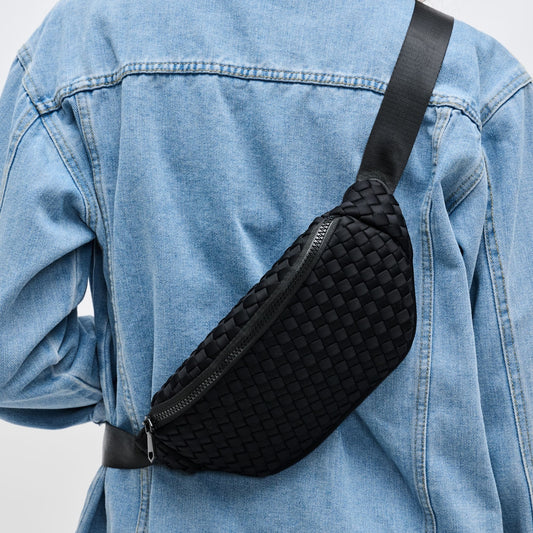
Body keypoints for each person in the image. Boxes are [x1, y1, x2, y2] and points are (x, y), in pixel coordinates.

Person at [1, 0, 532, 531]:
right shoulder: (476, 83)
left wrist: (142, 377)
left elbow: (13, 355)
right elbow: (516, 416)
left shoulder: (80, 49)